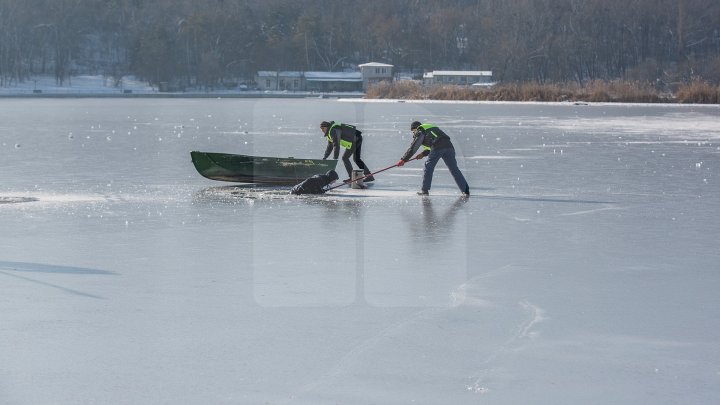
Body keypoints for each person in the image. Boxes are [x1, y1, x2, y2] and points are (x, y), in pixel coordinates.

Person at [397, 121, 469, 196]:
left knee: (428, 167)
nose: (413, 133)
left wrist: (404, 159)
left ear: (416, 128)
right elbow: (430, 146)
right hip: (449, 147)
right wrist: (422, 154)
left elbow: (414, 147)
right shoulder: (429, 129)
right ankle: (465, 190)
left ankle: (425, 191)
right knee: (454, 169)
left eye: (413, 131)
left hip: (437, 146)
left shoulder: (420, 130)